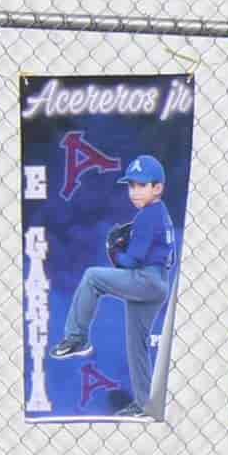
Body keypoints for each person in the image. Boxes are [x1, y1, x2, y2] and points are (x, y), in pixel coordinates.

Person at [49, 152, 176, 391]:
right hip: (159, 281)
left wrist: (114, 251)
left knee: (92, 277)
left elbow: (130, 262)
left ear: (158, 187)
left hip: (146, 279)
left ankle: (77, 338)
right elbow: (170, 258)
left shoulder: (147, 216)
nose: (135, 191)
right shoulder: (162, 214)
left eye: (142, 185)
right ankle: (143, 403)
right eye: (131, 186)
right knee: (137, 345)